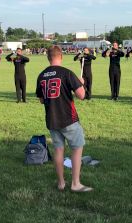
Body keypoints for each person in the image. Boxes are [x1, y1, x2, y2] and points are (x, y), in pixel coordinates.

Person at [36, 45, 92, 193]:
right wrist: (81, 84)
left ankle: (61, 183)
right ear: (61, 56)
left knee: (58, 149)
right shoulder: (66, 73)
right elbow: (81, 95)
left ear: (48, 57)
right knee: (76, 148)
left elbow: (41, 100)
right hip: (68, 118)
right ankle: (75, 183)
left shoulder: (41, 75)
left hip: (52, 119)